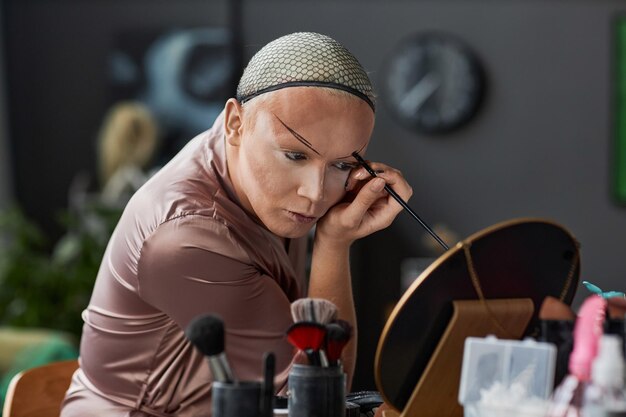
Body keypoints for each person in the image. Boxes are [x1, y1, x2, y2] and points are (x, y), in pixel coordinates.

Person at [60, 32, 412, 417]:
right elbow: (315, 400)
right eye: (295, 155)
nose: (315, 193)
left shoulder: (240, 159)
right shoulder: (186, 240)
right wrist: (334, 243)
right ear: (235, 123)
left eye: (343, 165)